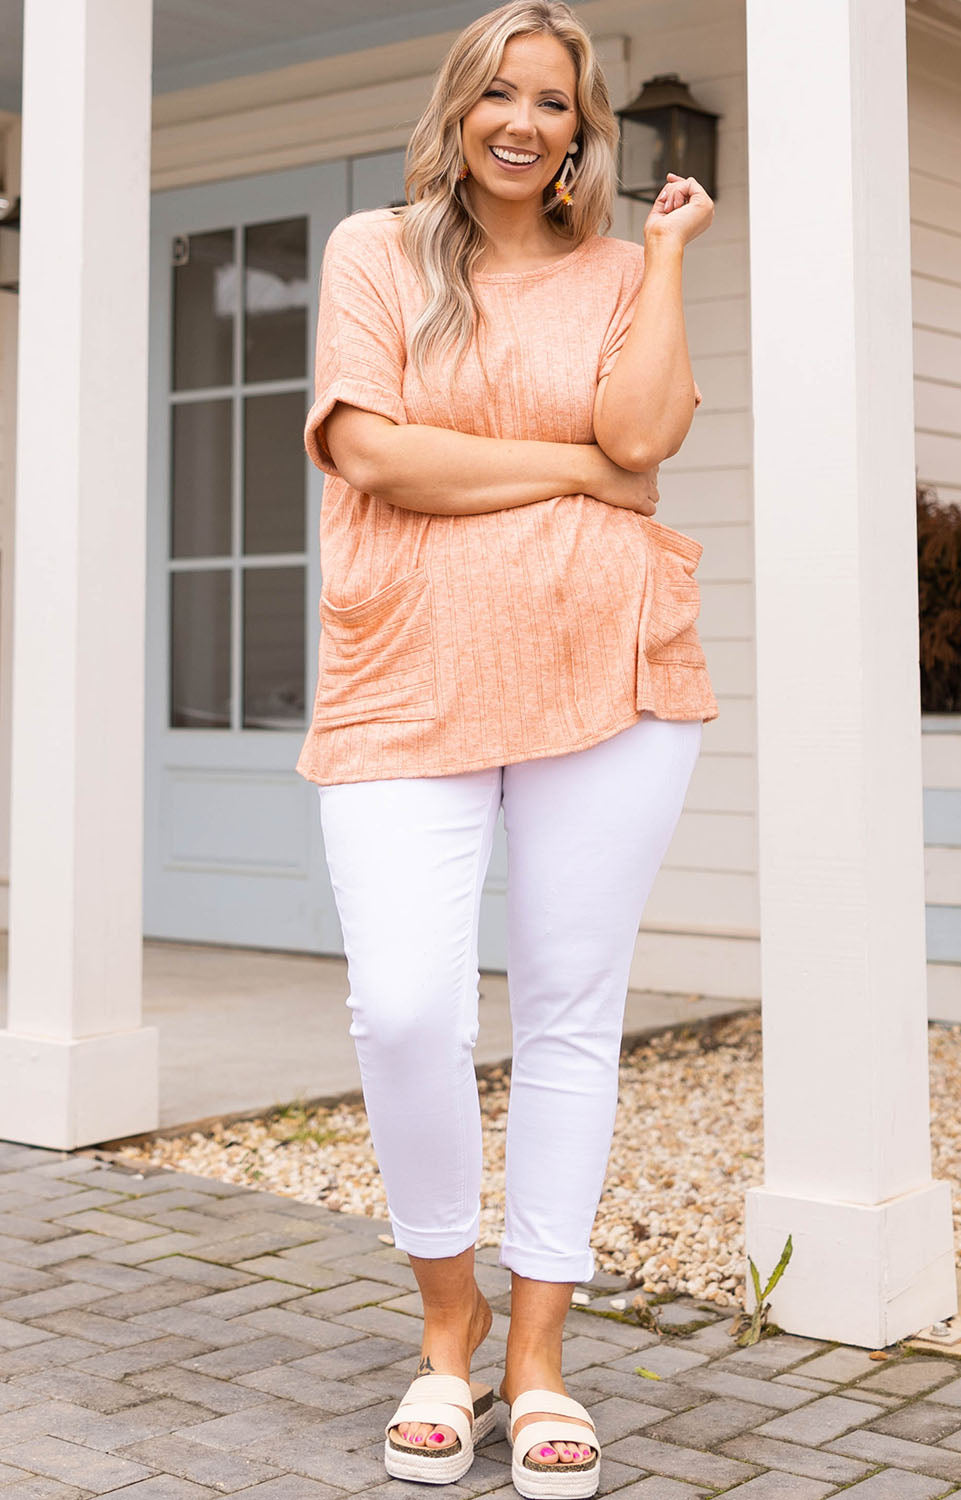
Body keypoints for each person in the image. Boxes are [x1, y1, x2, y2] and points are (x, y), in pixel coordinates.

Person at [298, 1, 717, 1492]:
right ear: (459, 109)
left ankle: (533, 1354)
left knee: (565, 1019)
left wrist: (662, 259)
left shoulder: (617, 269)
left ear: (580, 130)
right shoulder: (375, 252)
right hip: (403, 670)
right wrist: (572, 474)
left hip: (608, 671)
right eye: (497, 93)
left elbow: (645, 437)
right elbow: (372, 451)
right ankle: (445, 1318)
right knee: (405, 1008)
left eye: (551, 99)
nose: (521, 120)